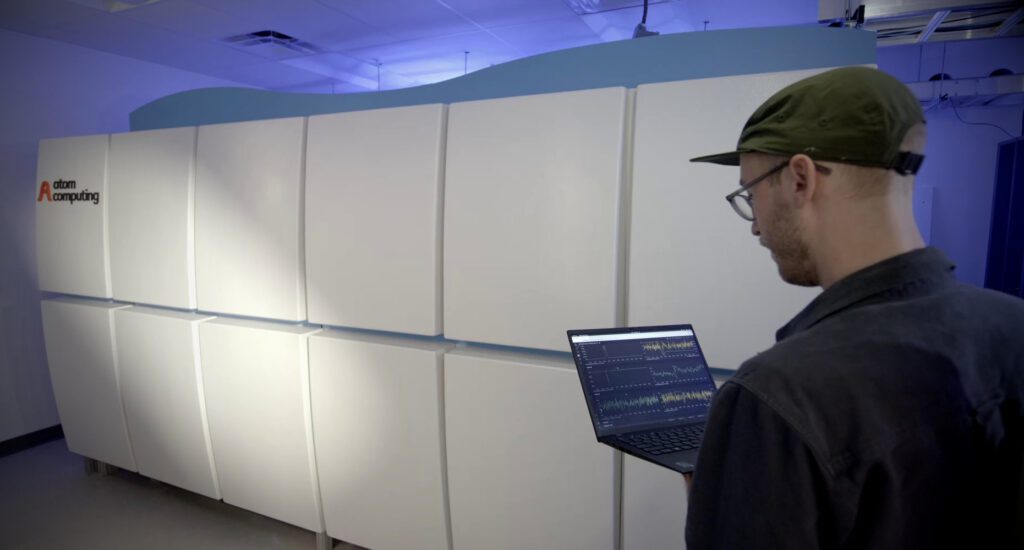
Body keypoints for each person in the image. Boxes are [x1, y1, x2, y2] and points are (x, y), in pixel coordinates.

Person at [683, 66, 1024, 549]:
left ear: (800, 178)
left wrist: (729, 504)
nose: (755, 226)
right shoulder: (1014, 326)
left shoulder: (779, 395)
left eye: (750, 194)